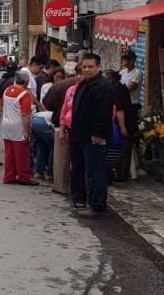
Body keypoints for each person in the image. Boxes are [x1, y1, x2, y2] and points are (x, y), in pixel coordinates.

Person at [69, 54, 113, 217]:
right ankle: (80, 200)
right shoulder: (84, 84)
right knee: (79, 169)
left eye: (90, 67)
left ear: (98, 67)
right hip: (79, 135)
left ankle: (97, 206)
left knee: (96, 173)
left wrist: (97, 134)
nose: (86, 70)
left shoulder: (102, 86)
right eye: (84, 67)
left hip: (93, 137)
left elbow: (102, 113)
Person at [44, 64, 82, 195]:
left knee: (62, 160)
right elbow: (65, 109)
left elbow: (47, 104)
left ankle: (63, 187)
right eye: (78, 73)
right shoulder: (71, 89)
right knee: (73, 161)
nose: (79, 77)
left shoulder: (59, 86)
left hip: (73, 129)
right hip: (66, 127)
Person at [0, 71, 38, 186]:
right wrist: (27, 131)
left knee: (9, 153)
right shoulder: (25, 94)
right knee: (22, 153)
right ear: (26, 81)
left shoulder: (7, 90)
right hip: (18, 126)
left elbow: (1, 106)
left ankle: (9, 176)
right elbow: (25, 114)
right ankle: (24, 177)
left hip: (6, 125)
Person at [105, 69, 136, 182]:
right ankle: (122, 174)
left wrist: (122, 127)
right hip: (130, 120)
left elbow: (119, 109)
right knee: (125, 149)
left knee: (122, 149)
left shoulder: (114, 89)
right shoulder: (122, 87)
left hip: (124, 121)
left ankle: (121, 175)